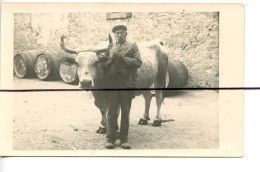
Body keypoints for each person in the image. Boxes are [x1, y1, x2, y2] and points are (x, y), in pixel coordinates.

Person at [105, 25, 142, 149]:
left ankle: (124, 139)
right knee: (111, 112)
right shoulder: (110, 47)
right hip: (112, 84)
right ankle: (110, 139)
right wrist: (109, 59)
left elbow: (138, 62)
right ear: (114, 35)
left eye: (121, 33)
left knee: (125, 112)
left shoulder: (132, 46)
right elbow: (105, 64)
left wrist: (123, 59)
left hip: (126, 83)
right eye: (116, 33)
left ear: (126, 34)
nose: (119, 35)